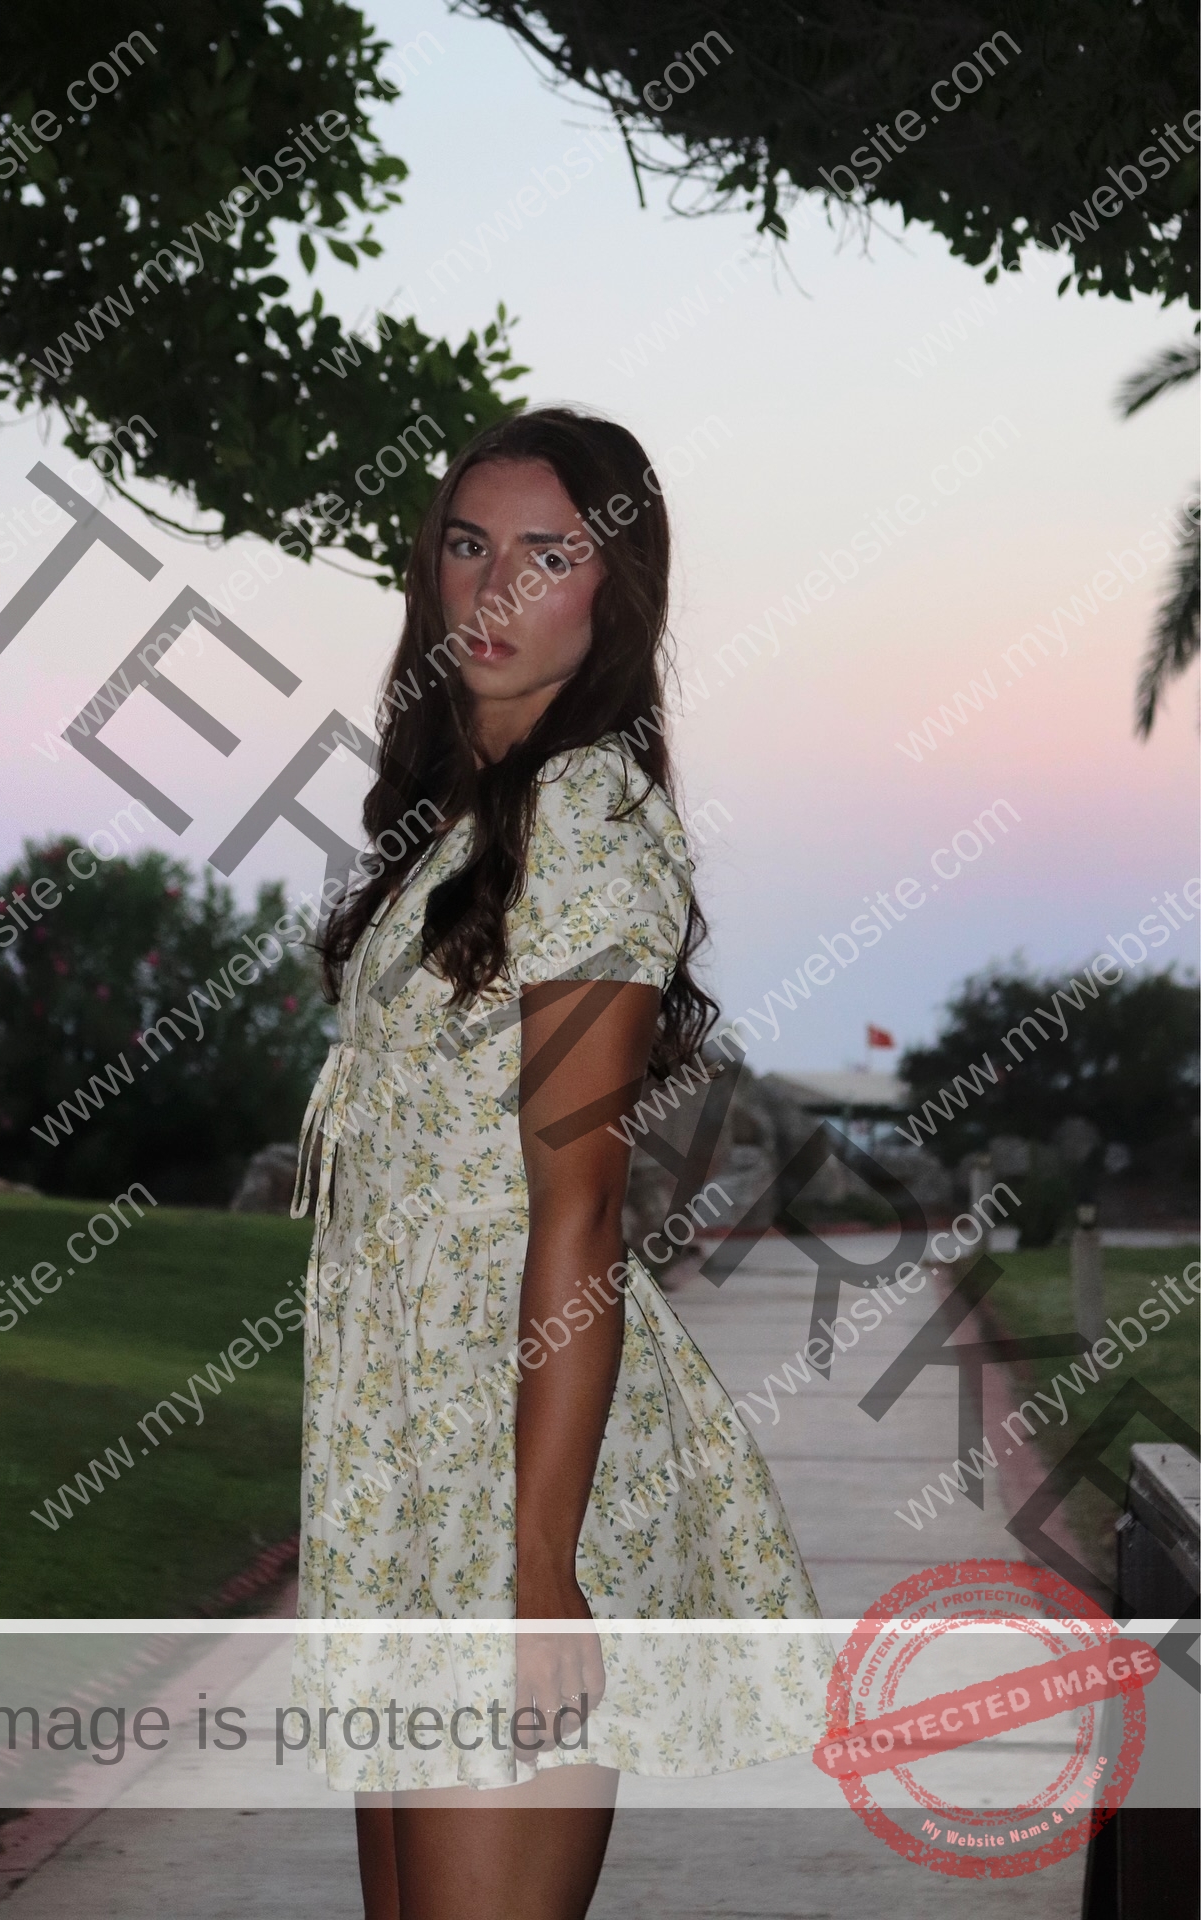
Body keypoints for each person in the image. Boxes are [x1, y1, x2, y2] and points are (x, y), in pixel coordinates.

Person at [291, 408, 827, 1919]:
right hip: (415, 1466)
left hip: (513, 1472)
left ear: (615, 593)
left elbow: (578, 1213)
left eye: (548, 556)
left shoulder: (587, 819)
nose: (495, 592)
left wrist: (536, 1568)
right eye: (468, 548)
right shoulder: (460, 823)